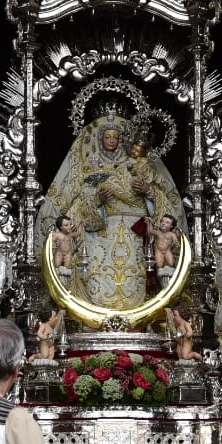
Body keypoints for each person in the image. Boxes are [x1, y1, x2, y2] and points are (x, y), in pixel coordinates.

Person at [42, 110, 181, 311]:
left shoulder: (139, 167)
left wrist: (148, 191)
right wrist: (97, 200)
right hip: (100, 236)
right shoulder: (89, 169)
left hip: (135, 235)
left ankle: (138, 321)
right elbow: (80, 205)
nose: (111, 141)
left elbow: (164, 204)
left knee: (139, 278)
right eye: (107, 137)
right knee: (97, 281)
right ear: (99, 139)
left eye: (116, 137)